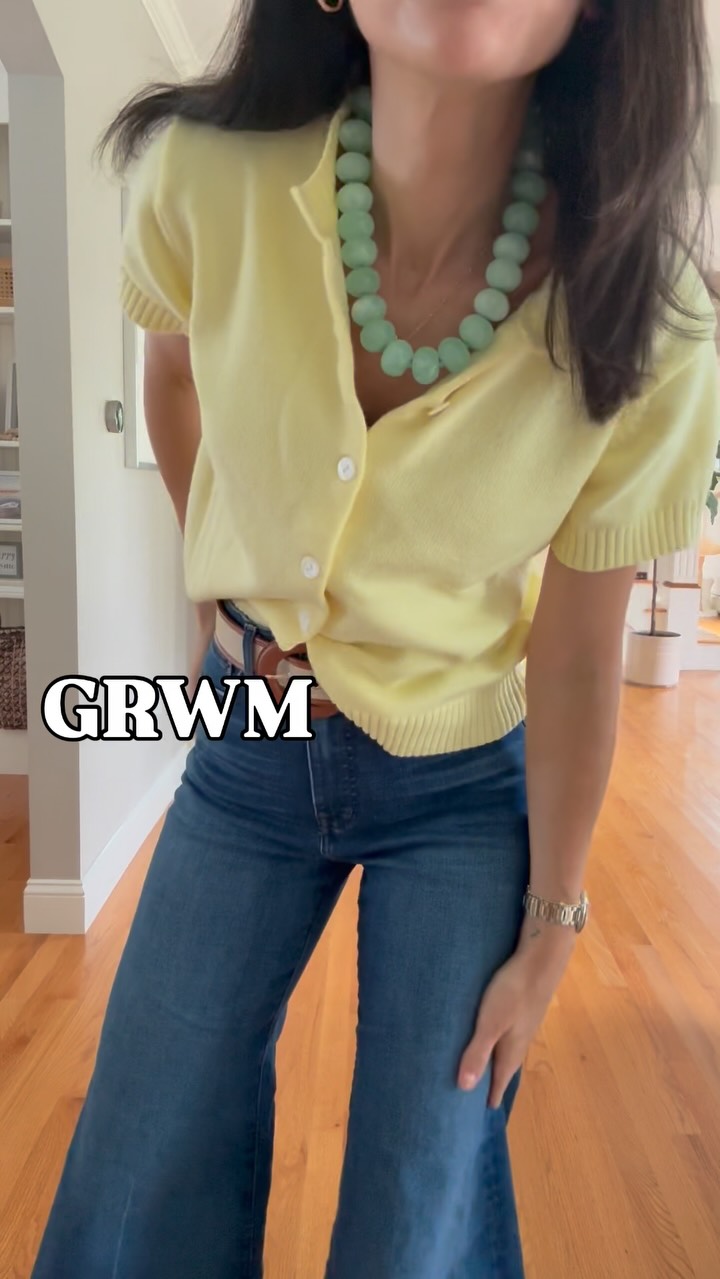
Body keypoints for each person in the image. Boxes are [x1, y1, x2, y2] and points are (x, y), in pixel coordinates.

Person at [32, 2, 718, 1277]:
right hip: (246, 729)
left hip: (461, 780)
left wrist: (555, 923)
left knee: (419, 1214)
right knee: (132, 1173)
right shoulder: (205, 178)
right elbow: (172, 372)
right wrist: (210, 585)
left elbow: (579, 651)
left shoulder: (652, 313)